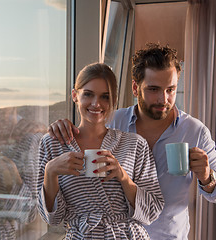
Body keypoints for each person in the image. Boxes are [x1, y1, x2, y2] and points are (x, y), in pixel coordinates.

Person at [48, 43, 216, 240]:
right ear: (136, 88)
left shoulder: (194, 131)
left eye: (170, 89)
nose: (164, 99)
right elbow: (82, 132)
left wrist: (207, 176)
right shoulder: (112, 121)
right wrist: (61, 127)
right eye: (154, 89)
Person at [37, 63, 164, 239]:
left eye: (105, 97)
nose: (96, 104)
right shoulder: (53, 144)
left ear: (113, 101)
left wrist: (123, 176)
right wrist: (50, 172)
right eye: (88, 94)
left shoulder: (135, 144)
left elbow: (152, 211)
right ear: (75, 95)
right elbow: (52, 218)